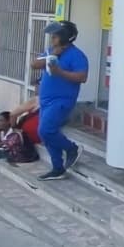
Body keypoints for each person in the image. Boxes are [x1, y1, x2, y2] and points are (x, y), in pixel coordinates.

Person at [30, 20, 88, 180]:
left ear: (65, 37)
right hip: (45, 100)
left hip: (61, 101)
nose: (52, 38)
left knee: (46, 130)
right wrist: (53, 55)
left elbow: (82, 77)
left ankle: (72, 148)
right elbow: (34, 64)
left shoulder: (77, 55)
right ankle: (57, 168)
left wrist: (60, 72)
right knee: (45, 134)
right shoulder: (51, 51)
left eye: (55, 35)